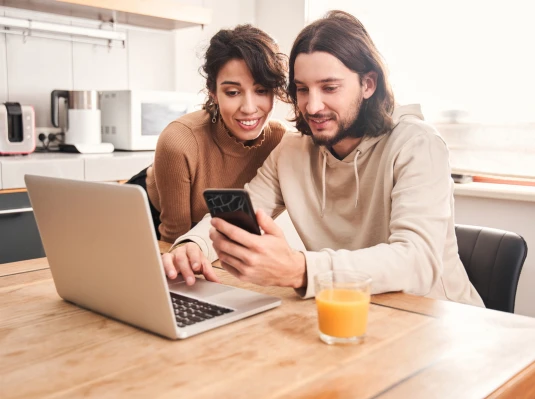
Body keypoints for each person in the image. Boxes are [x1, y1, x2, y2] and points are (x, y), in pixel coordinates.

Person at [162, 11, 484, 307]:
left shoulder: (416, 145)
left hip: (437, 320)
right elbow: (242, 207)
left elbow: (416, 262)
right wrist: (192, 245)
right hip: (346, 310)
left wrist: (299, 269)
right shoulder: (292, 151)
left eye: (329, 87)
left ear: (368, 84)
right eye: (302, 89)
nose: (312, 106)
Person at [126, 24, 288, 243]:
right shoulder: (181, 140)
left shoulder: (280, 141)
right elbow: (174, 238)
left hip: (208, 231)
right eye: (232, 92)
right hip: (148, 218)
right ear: (213, 92)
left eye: (261, 91)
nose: (249, 107)